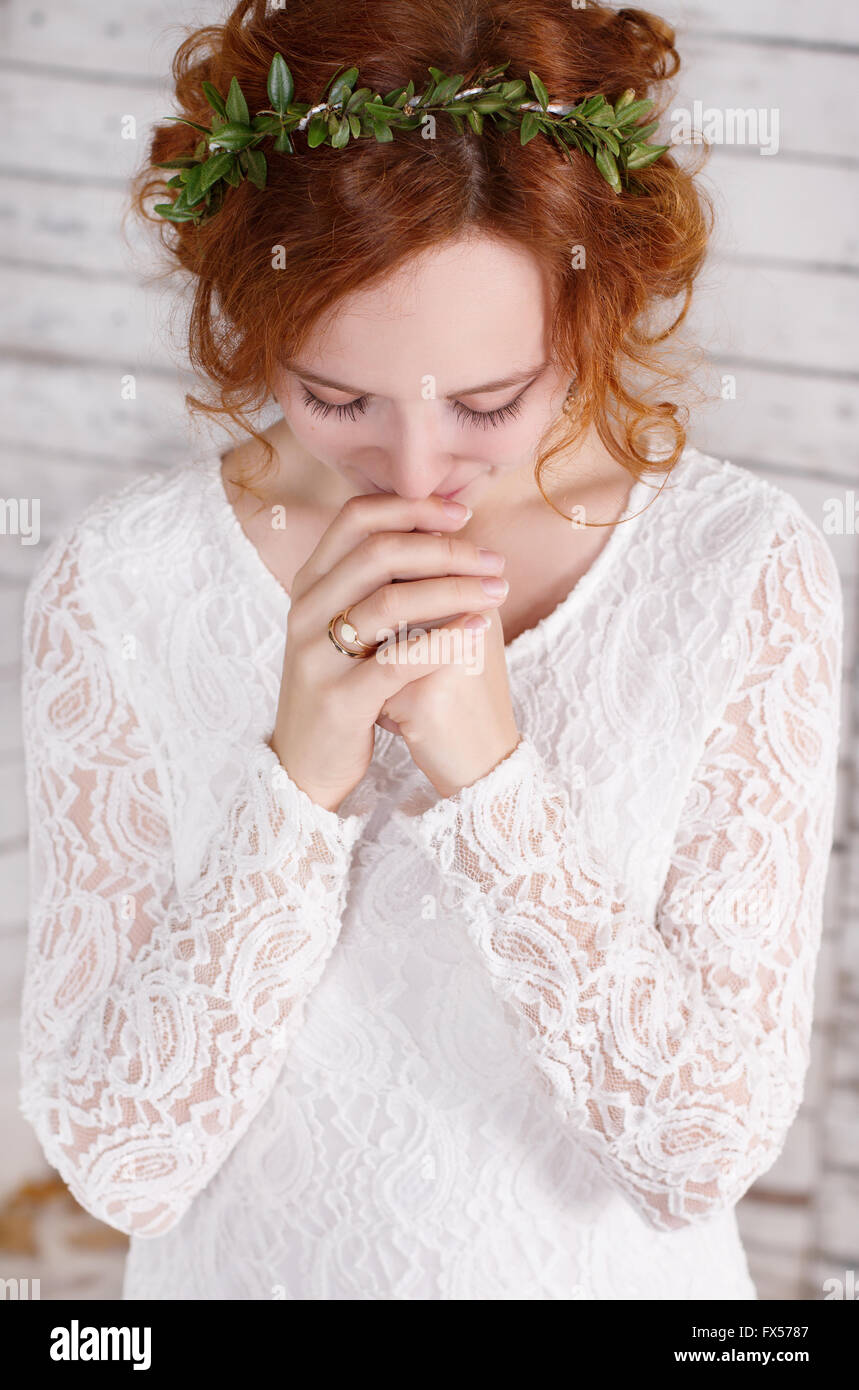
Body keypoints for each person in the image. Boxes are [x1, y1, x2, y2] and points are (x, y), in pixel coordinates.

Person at [18, 0, 843, 1300]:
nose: (411, 476)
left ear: (595, 303)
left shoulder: (738, 570)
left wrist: (488, 769)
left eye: (487, 403)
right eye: (333, 396)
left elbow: (700, 1154)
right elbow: (121, 1166)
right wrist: (297, 777)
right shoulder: (123, 585)